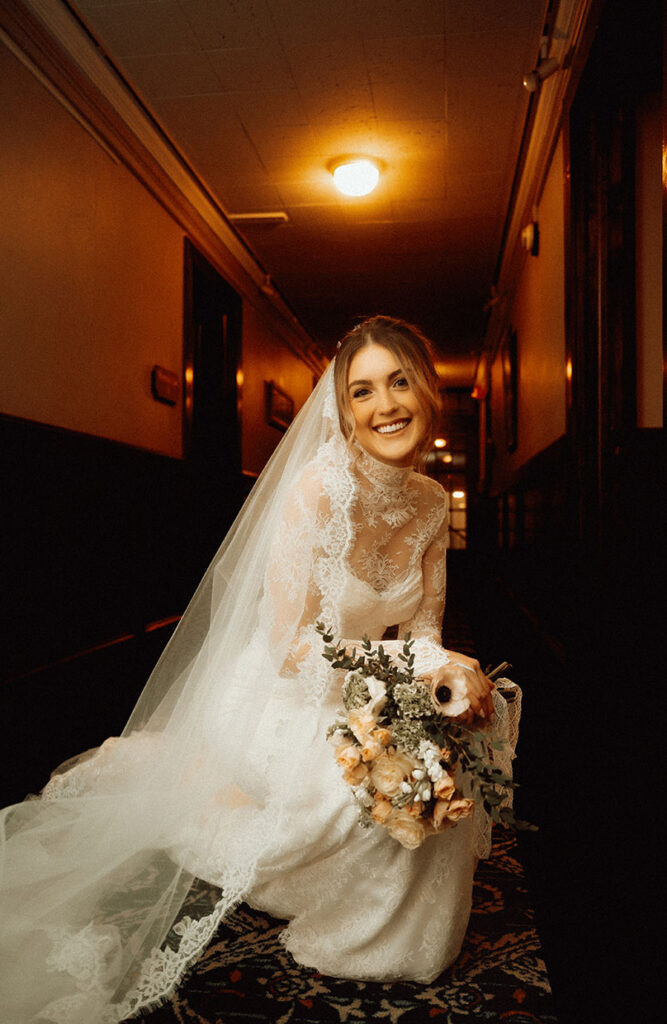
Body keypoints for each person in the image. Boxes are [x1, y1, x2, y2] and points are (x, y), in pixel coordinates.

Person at [0, 316, 520, 1023]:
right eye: (362, 391)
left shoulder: (431, 503)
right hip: (282, 693)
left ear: (428, 392)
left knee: (433, 767)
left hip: (366, 684)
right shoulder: (314, 491)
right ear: (342, 409)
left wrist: (434, 686)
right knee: (345, 805)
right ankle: (205, 796)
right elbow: (287, 649)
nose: (385, 405)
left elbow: (424, 628)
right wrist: (401, 671)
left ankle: (403, 937)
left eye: (399, 382)